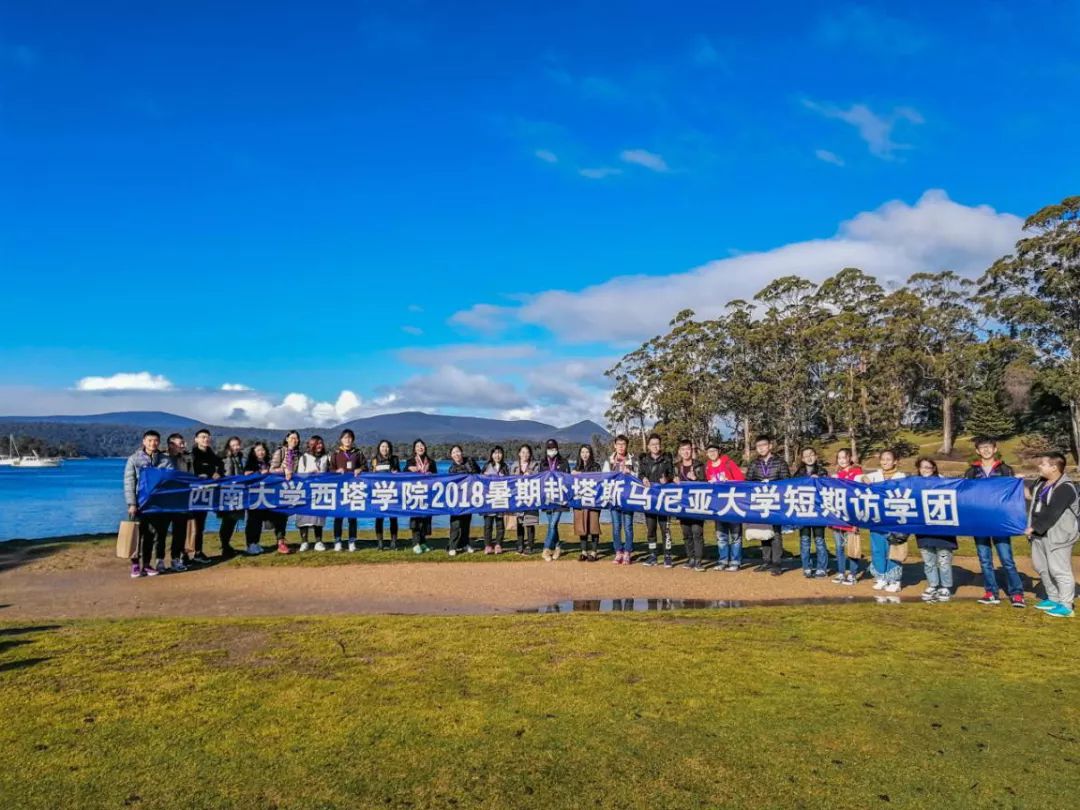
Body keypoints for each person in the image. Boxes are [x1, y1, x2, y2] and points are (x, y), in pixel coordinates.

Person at [964, 437, 1025, 608]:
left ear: (995, 449)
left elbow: (1013, 495)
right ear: (977, 451)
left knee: (1006, 559)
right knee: (984, 559)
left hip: (1000, 521)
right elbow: (964, 495)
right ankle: (991, 592)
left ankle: (1017, 593)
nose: (986, 450)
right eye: (982, 448)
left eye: (989, 447)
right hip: (979, 521)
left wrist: (1018, 482)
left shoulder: (1005, 469)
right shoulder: (971, 472)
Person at [1025, 452, 1079, 619]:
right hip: (1039, 534)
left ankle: (1066, 606)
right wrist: (1015, 483)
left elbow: (1053, 513)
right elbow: (1030, 496)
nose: (1039, 466)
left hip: (1058, 535)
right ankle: (1053, 598)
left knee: (1059, 570)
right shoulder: (1041, 482)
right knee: (1041, 567)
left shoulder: (1065, 488)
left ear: (1054, 467)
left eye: (1043, 464)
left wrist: (1033, 528)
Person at [123, 430, 173, 578]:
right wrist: (132, 503)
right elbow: (129, 482)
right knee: (136, 534)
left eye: (156, 440)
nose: (153, 443)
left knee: (151, 534)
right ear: (144, 441)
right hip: (139, 504)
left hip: (156, 505)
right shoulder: (134, 459)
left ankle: (146, 564)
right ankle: (135, 564)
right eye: (150, 440)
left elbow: (171, 480)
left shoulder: (165, 460)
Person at [859, 449, 907, 593]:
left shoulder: (901, 476)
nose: (885, 462)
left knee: (894, 548)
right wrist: (863, 478)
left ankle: (894, 579)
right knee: (878, 548)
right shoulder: (875, 475)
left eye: (888, 459)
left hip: (894, 518)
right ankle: (881, 577)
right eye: (883, 459)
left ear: (895, 461)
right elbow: (858, 478)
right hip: (877, 518)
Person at [745, 434, 791, 576]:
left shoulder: (780, 462)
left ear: (770, 446)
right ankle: (766, 561)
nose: (761, 448)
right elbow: (747, 481)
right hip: (761, 500)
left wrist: (773, 486)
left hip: (776, 501)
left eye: (764, 445)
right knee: (763, 531)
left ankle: (777, 563)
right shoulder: (754, 464)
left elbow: (787, 481)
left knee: (775, 533)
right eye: (758, 446)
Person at [912, 458, 957, 603]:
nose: (925, 470)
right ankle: (933, 584)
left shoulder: (944, 483)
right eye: (922, 467)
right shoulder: (914, 484)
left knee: (944, 560)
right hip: (924, 529)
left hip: (942, 528)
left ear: (934, 468)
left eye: (928, 467)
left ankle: (945, 586)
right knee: (928, 560)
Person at [704, 443, 744, 572]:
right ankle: (723, 561)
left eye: (714, 451)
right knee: (721, 536)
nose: (712, 453)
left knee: (735, 535)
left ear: (719, 451)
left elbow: (741, 479)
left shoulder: (728, 463)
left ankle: (735, 561)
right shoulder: (707, 467)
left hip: (733, 504)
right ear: (707, 454)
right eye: (709, 451)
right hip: (718, 506)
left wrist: (730, 481)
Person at [638, 434, 675, 568]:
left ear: (660, 445)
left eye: (657, 444)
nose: (655, 446)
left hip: (664, 499)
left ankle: (667, 556)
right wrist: (643, 479)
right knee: (651, 529)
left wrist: (667, 479)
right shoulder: (644, 460)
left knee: (665, 529)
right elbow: (640, 474)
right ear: (648, 446)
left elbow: (672, 474)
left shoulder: (666, 459)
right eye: (652, 444)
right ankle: (653, 555)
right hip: (649, 499)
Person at [792, 447, 829, 579]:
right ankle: (806, 567)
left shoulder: (822, 471)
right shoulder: (798, 473)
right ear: (802, 459)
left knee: (819, 540)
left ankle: (822, 568)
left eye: (811, 454)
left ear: (816, 456)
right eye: (806, 456)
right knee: (805, 540)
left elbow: (828, 489)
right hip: (804, 511)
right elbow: (792, 489)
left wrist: (819, 480)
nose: (809, 457)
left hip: (818, 512)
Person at [329, 429, 367, 551]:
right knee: (338, 517)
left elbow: (366, 466)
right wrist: (336, 471)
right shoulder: (335, 453)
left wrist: (360, 469)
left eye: (350, 437)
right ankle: (337, 541)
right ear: (341, 439)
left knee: (352, 517)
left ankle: (352, 541)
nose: (347, 440)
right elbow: (329, 469)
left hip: (354, 489)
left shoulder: (358, 453)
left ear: (353, 439)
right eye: (345, 437)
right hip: (339, 489)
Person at [189, 428, 223, 564]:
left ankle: (198, 551)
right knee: (188, 524)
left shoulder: (211, 454)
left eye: (207, 437)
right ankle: (183, 554)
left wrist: (218, 473)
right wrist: (209, 472)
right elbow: (194, 469)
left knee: (200, 525)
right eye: (202, 437)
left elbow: (220, 465)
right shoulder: (192, 455)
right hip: (191, 494)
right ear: (196, 439)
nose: (206, 439)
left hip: (205, 494)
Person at [830, 449, 863, 586]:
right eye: (839, 458)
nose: (842, 460)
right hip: (838, 516)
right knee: (839, 547)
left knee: (852, 545)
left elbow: (860, 493)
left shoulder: (857, 472)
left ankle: (853, 574)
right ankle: (841, 572)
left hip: (852, 515)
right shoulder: (836, 475)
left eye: (844, 457)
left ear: (850, 458)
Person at [602, 435, 637, 565]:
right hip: (614, 498)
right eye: (619, 444)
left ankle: (627, 552)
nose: (621, 447)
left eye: (623, 444)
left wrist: (630, 473)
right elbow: (604, 478)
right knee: (616, 526)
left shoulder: (632, 460)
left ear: (627, 445)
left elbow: (638, 477)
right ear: (615, 445)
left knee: (628, 526)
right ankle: (618, 551)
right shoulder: (609, 461)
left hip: (628, 498)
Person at [674, 439, 706, 571]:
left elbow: (706, 483)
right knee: (686, 533)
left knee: (697, 532)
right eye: (683, 449)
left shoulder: (699, 465)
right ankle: (690, 558)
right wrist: (672, 480)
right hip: (683, 504)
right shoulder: (676, 467)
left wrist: (696, 479)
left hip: (697, 503)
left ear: (691, 450)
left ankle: (698, 560)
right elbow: (669, 482)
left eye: (688, 449)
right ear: (679, 452)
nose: (685, 452)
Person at [268, 430, 302, 554]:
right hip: (279, 488)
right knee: (280, 515)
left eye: (296, 438)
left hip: (291, 488)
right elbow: (272, 469)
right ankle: (280, 542)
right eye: (292, 438)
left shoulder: (299, 455)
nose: (294, 440)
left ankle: (281, 540)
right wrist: (284, 470)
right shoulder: (281, 452)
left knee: (285, 516)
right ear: (287, 439)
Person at [166, 433, 194, 571]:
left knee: (180, 531)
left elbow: (190, 476)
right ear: (171, 445)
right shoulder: (163, 459)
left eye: (183, 443)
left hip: (181, 500)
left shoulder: (185, 459)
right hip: (165, 501)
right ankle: (158, 560)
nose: (183, 445)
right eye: (180, 443)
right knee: (160, 533)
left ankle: (176, 558)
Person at [297, 435, 330, 552]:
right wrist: (309, 473)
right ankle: (304, 542)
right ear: (311, 445)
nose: (319, 446)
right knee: (303, 517)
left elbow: (329, 473)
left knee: (318, 517)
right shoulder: (304, 458)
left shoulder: (326, 458)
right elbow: (299, 475)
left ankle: (318, 541)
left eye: (321, 443)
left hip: (320, 490)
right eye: (317, 443)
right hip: (306, 491)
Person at [540, 439, 571, 562]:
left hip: (560, 498)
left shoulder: (563, 462)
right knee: (552, 525)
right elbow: (539, 480)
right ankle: (558, 547)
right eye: (549, 448)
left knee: (553, 524)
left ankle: (546, 549)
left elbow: (568, 479)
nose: (551, 451)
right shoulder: (543, 463)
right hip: (547, 498)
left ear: (557, 449)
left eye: (553, 448)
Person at [447, 445, 480, 555]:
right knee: (456, 523)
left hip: (469, 498)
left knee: (466, 523)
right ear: (451, 456)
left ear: (461, 452)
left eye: (458, 451)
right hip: (456, 500)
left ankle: (465, 544)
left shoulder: (470, 461)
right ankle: (452, 546)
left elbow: (479, 474)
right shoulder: (451, 469)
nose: (456, 454)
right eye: (454, 453)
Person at [405, 439, 437, 554]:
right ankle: (416, 543)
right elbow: (403, 476)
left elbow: (437, 478)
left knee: (426, 519)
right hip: (415, 493)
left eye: (422, 445)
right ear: (414, 449)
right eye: (418, 446)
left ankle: (423, 542)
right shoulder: (410, 461)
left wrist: (431, 475)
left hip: (427, 493)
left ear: (425, 447)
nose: (420, 448)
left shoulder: (431, 462)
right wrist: (409, 470)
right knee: (416, 519)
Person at [217, 436, 246, 558]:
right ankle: (225, 546)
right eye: (233, 445)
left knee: (232, 520)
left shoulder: (240, 458)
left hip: (238, 492)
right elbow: (226, 473)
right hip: (228, 493)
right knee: (228, 520)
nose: (236, 447)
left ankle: (226, 545)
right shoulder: (226, 458)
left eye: (237, 445)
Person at [573, 445, 602, 561]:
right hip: (580, 501)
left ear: (591, 454)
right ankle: (583, 551)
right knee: (582, 525)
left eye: (587, 452)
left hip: (593, 501)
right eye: (582, 452)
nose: (585, 454)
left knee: (593, 525)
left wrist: (580, 474)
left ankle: (594, 552)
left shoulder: (596, 466)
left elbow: (598, 480)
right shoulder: (576, 467)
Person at [370, 440, 400, 550]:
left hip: (392, 491)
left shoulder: (394, 459)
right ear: (379, 448)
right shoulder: (374, 460)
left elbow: (399, 474)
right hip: (378, 492)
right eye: (382, 446)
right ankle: (380, 543)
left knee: (393, 518)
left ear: (389, 448)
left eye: (387, 447)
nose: (384, 449)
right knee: (379, 518)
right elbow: (369, 475)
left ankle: (393, 542)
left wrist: (396, 473)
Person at [243, 442, 272, 555]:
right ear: (254, 452)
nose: (261, 452)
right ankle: (250, 544)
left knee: (259, 520)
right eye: (258, 450)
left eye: (263, 450)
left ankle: (256, 542)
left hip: (264, 495)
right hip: (252, 495)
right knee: (252, 519)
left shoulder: (267, 463)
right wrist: (259, 473)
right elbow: (246, 474)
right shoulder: (251, 463)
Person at [510, 444, 540, 554]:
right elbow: (510, 480)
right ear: (519, 453)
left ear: (530, 454)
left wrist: (530, 475)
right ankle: (520, 545)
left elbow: (539, 478)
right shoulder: (514, 466)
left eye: (527, 452)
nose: (525, 454)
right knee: (519, 522)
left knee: (530, 522)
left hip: (530, 497)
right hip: (518, 497)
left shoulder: (535, 465)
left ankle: (530, 546)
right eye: (523, 452)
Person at [481, 446, 509, 554]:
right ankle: (488, 545)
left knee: (500, 524)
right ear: (492, 455)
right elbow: (480, 481)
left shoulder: (505, 467)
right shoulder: (486, 466)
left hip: (501, 499)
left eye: (499, 453)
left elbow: (510, 481)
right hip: (489, 500)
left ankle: (498, 544)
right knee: (488, 524)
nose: (497, 455)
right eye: (495, 453)